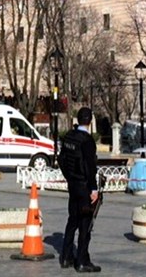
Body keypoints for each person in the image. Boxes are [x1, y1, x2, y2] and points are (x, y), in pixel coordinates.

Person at [59, 107, 100, 273]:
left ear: (77, 120)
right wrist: (93, 188)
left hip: (73, 185)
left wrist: (69, 177)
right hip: (84, 186)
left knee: (72, 220)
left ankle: (66, 256)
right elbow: (91, 166)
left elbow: (62, 159)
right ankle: (82, 261)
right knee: (85, 224)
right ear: (90, 121)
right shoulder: (87, 141)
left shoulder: (69, 136)